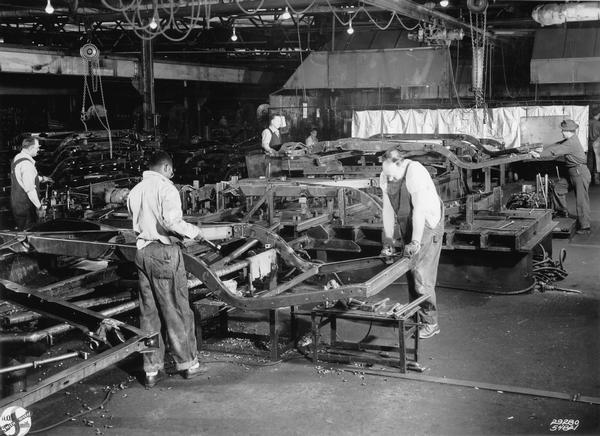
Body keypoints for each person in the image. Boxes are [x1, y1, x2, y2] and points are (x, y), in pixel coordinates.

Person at [127, 151, 208, 388]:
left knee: (149, 313)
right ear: (164, 167)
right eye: (171, 170)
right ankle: (187, 364)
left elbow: (135, 221)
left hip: (142, 253)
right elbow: (172, 222)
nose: (172, 174)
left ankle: (151, 370)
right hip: (164, 253)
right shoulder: (166, 188)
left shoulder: (136, 190)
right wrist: (195, 232)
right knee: (176, 309)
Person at [379, 149, 444, 339]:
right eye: (387, 175)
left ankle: (431, 323)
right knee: (410, 270)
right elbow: (388, 210)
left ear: (401, 164)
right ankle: (417, 317)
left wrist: (415, 241)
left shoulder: (415, 172)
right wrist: (389, 240)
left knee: (421, 275)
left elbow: (420, 211)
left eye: (392, 175)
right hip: (408, 222)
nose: (389, 179)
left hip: (427, 223)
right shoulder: (386, 175)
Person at [530, 119, 591, 234]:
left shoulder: (571, 142)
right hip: (572, 172)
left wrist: (539, 155)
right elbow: (556, 145)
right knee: (558, 188)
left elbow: (556, 150)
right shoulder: (569, 140)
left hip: (579, 173)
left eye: (563, 130)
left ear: (569, 131)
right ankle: (562, 211)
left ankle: (585, 227)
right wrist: (542, 149)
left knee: (581, 200)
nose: (562, 132)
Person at [10, 137, 53, 230]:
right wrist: (40, 207)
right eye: (37, 147)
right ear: (30, 148)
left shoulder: (18, 157)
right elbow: (30, 189)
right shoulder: (27, 165)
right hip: (25, 207)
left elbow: (25, 178)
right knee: (30, 233)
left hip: (18, 203)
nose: (38, 150)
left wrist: (42, 179)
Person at [589, 110, 600, 184]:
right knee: (597, 162)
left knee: (589, 161)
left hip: (589, 143)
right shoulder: (598, 123)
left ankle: (589, 179)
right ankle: (596, 179)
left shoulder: (588, 122)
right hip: (597, 143)